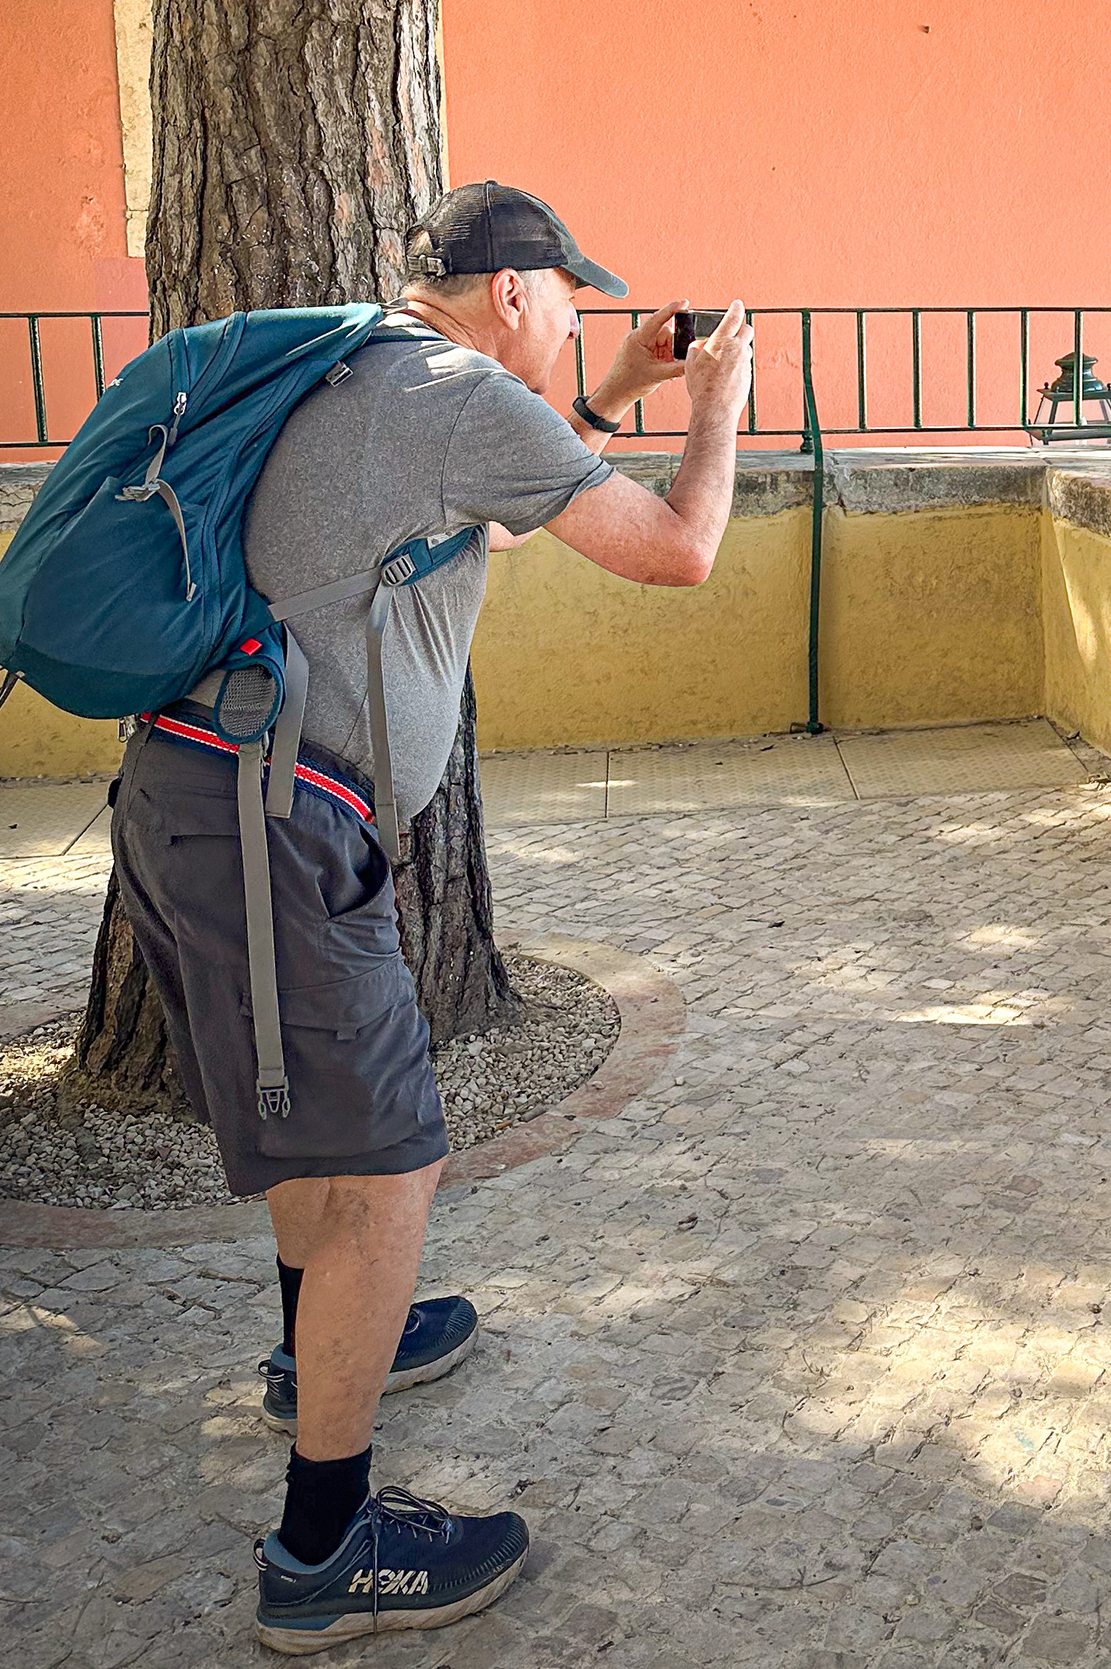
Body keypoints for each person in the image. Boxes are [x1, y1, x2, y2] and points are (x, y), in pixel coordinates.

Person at [107, 182, 753, 1651]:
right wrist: (717, 402)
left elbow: (497, 532)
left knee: (321, 1133)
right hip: (266, 820)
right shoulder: (456, 392)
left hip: (222, 797)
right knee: (391, 1160)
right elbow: (677, 549)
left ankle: (315, 1351)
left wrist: (615, 387)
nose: (583, 313)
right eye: (572, 298)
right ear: (512, 292)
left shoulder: (375, 374)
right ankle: (324, 1553)